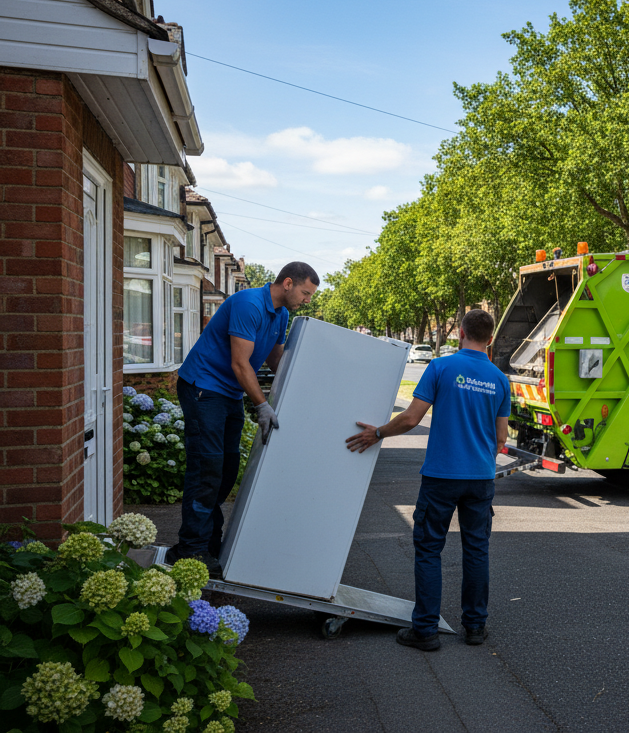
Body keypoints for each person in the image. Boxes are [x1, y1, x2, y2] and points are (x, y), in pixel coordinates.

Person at [345, 309, 509, 651]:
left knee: (429, 549)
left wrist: (377, 433)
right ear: (490, 338)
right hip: (480, 478)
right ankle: (475, 627)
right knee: (477, 550)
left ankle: (425, 630)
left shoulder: (440, 368)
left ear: (461, 333)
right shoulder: (499, 379)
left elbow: (410, 418)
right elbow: (501, 437)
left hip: (442, 475)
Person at [168, 262, 319, 576]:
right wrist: (262, 405)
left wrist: (301, 392)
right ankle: (190, 549)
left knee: (227, 468)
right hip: (203, 387)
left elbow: (275, 358)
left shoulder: (280, 315)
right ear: (288, 283)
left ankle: (207, 541)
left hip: (228, 393)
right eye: (305, 293)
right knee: (207, 467)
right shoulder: (249, 304)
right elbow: (240, 364)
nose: (307, 300)